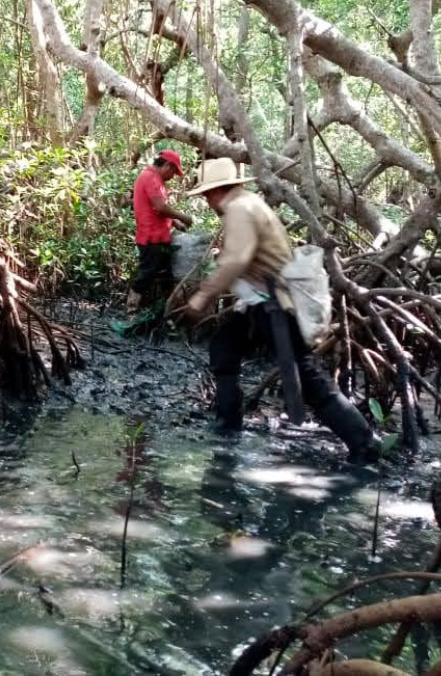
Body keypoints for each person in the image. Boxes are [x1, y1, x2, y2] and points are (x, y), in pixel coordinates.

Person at [182, 159, 380, 464]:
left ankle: (364, 444)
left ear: (218, 190)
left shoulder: (239, 209)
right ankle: (227, 430)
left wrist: (203, 296)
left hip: (274, 304)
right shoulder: (248, 203)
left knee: (308, 378)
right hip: (256, 301)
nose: (207, 202)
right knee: (224, 349)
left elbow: (237, 259)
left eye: (207, 195)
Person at [126, 149, 194, 313]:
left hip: (160, 237)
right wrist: (183, 217)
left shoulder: (155, 179)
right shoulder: (150, 177)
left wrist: (175, 224)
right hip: (151, 238)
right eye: (173, 172)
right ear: (167, 165)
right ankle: (132, 307)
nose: (172, 176)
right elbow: (160, 207)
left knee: (165, 274)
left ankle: (165, 309)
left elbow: (158, 211)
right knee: (147, 273)